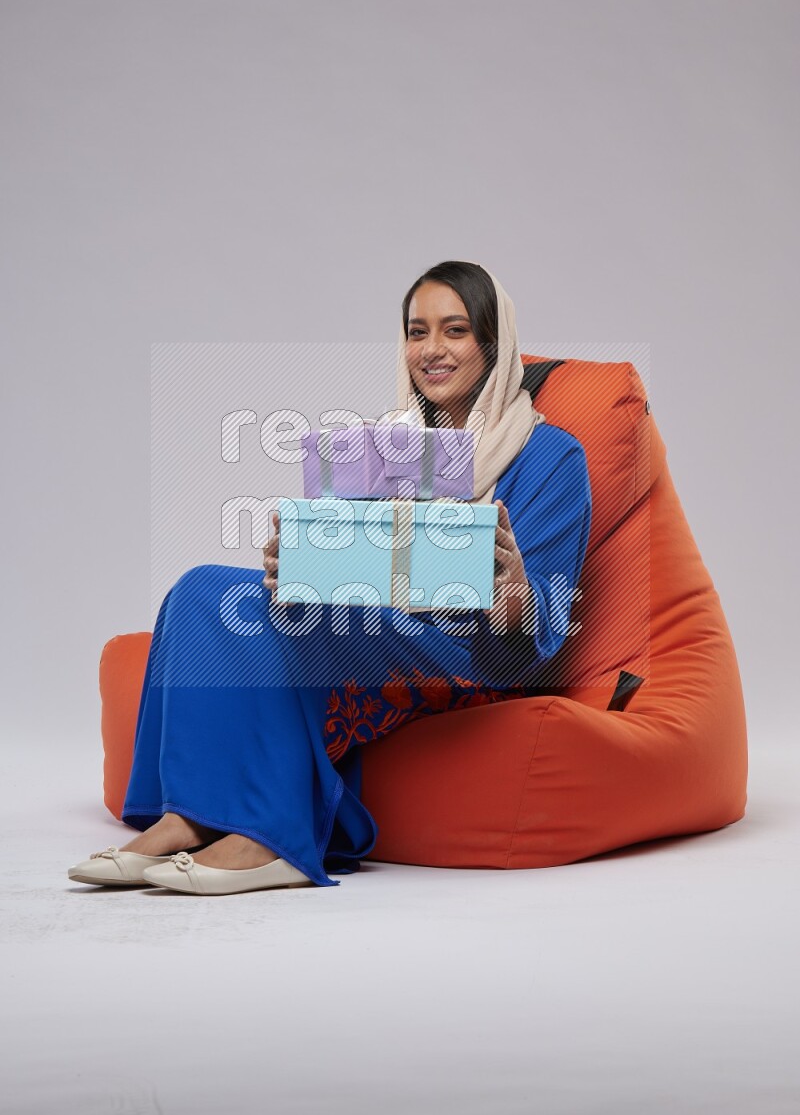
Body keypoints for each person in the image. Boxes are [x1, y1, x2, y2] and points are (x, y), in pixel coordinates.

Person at [68, 260, 592, 896]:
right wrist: (302, 561)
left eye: (454, 330)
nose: (430, 350)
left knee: (281, 620)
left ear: (493, 342)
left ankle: (273, 838)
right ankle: (186, 816)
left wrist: (514, 596)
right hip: (371, 618)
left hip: (466, 648)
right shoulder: (388, 445)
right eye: (415, 331)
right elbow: (362, 560)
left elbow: (546, 626)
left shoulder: (552, 454)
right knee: (203, 588)